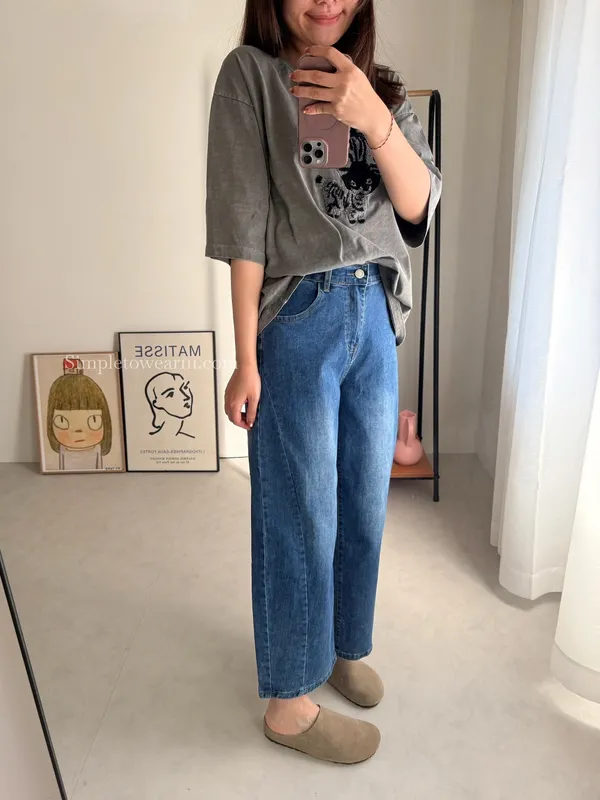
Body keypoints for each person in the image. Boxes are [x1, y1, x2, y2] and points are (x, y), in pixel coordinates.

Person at [205, 0, 442, 764]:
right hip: (299, 313)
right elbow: (244, 222)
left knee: (362, 503)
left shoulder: (383, 90)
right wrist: (246, 356)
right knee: (299, 511)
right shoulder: (250, 76)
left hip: (374, 312)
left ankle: (340, 645)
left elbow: (419, 207)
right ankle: (288, 701)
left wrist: (369, 113)